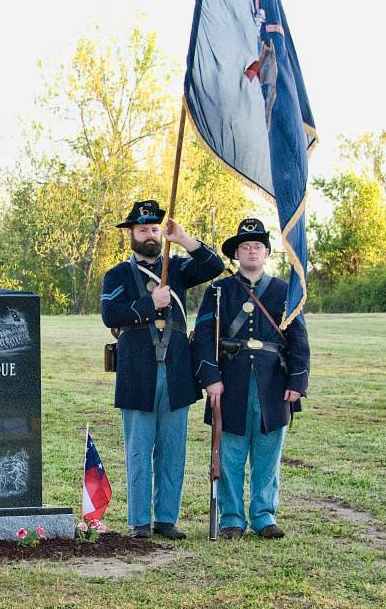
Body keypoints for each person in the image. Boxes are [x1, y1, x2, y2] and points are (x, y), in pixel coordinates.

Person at [100, 199, 224, 539]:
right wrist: (149, 304)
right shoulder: (118, 274)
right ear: (132, 234)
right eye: (143, 229)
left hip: (176, 369)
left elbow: (214, 266)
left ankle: (166, 519)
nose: (150, 234)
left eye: (155, 229)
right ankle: (140, 521)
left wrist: (184, 239)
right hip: (137, 370)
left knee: (173, 450)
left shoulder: (179, 267)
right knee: (139, 449)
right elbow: (110, 315)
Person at [192, 218, 310, 540]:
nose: (251, 251)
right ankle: (231, 519)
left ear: (267, 252)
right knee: (229, 454)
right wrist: (210, 378)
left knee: (267, 455)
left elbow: (298, 338)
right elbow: (203, 337)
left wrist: (297, 382)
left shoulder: (286, 291)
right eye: (245, 247)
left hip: (273, 384)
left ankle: (263, 516)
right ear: (237, 254)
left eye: (257, 246)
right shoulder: (218, 291)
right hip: (230, 383)